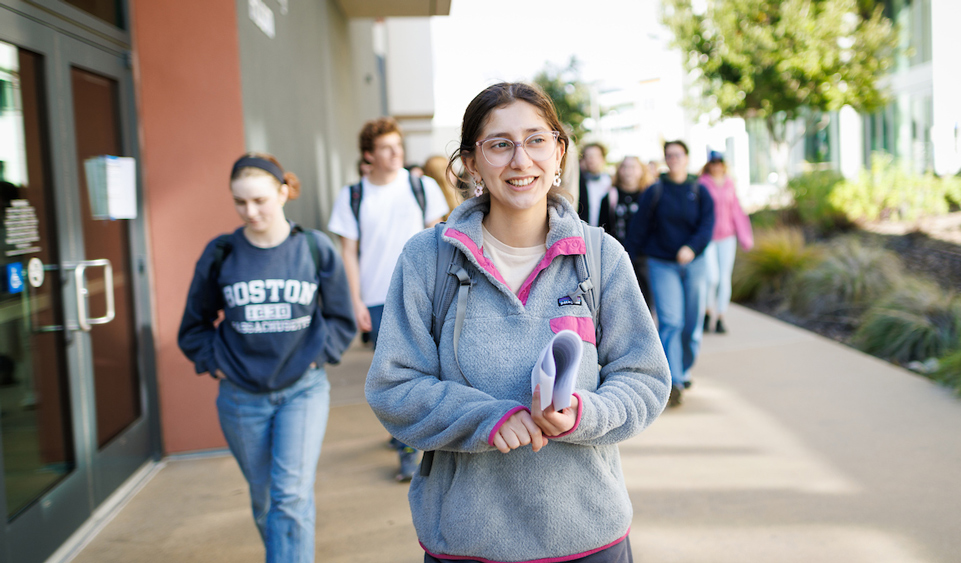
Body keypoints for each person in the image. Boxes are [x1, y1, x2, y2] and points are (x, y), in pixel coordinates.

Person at [365, 82, 670, 563]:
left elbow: (646, 379)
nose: (520, 160)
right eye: (500, 144)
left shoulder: (601, 257)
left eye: (536, 140)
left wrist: (583, 414)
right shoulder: (427, 259)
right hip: (468, 543)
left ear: (559, 152)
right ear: (471, 162)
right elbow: (394, 387)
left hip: (589, 538)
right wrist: (488, 419)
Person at [178, 153, 356, 563]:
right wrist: (215, 362)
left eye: (259, 200)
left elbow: (341, 318)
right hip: (241, 397)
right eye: (240, 202)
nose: (250, 211)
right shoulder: (222, 253)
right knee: (265, 501)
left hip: (303, 390)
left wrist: (318, 356)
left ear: (282, 192)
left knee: (290, 496)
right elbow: (193, 326)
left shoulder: (314, 248)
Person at [328, 117, 449, 481]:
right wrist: (356, 301)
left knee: (430, 368)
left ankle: (413, 440)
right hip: (379, 297)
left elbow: (440, 240)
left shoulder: (421, 186)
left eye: (398, 145)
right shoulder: (352, 195)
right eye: (386, 147)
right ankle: (407, 447)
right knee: (396, 376)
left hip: (424, 293)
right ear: (369, 155)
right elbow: (348, 252)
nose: (396, 152)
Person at [626, 140, 714, 407]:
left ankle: (684, 369)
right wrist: (625, 262)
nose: (673, 159)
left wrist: (691, 247)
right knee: (671, 321)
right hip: (661, 263)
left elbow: (707, 225)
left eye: (678, 155)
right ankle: (673, 380)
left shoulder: (700, 190)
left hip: (694, 263)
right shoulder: (655, 191)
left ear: (687, 158)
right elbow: (638, 230)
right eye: (669, 156)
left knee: (691, 325)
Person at [700, 150, 754, 334]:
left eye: (719, 162)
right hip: (708, 238)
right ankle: (707, 311)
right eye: (713, 163)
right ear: (709, 164)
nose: (717, 166)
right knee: (711, 277)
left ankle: (721, 316)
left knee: (724, 278)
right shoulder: (703, 184)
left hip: (727, 237)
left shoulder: (730, 184)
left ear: (724, 164)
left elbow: (737, 211)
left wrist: (745, 236)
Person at [598, 155, 654, 308]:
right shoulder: (610, 197)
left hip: (643, 258)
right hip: (617, 256)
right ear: (619, 171)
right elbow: (602, 229)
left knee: (644, 300)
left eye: (633, 167)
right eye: (625, 167)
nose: (628, 171)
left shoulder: (649, 196)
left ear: (641, 171)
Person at [577, 142, 611, 226]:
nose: (591, 159)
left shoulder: (609, 183)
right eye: (587, 156)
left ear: (602, 159)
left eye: (595, 156)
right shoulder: (578, 183)